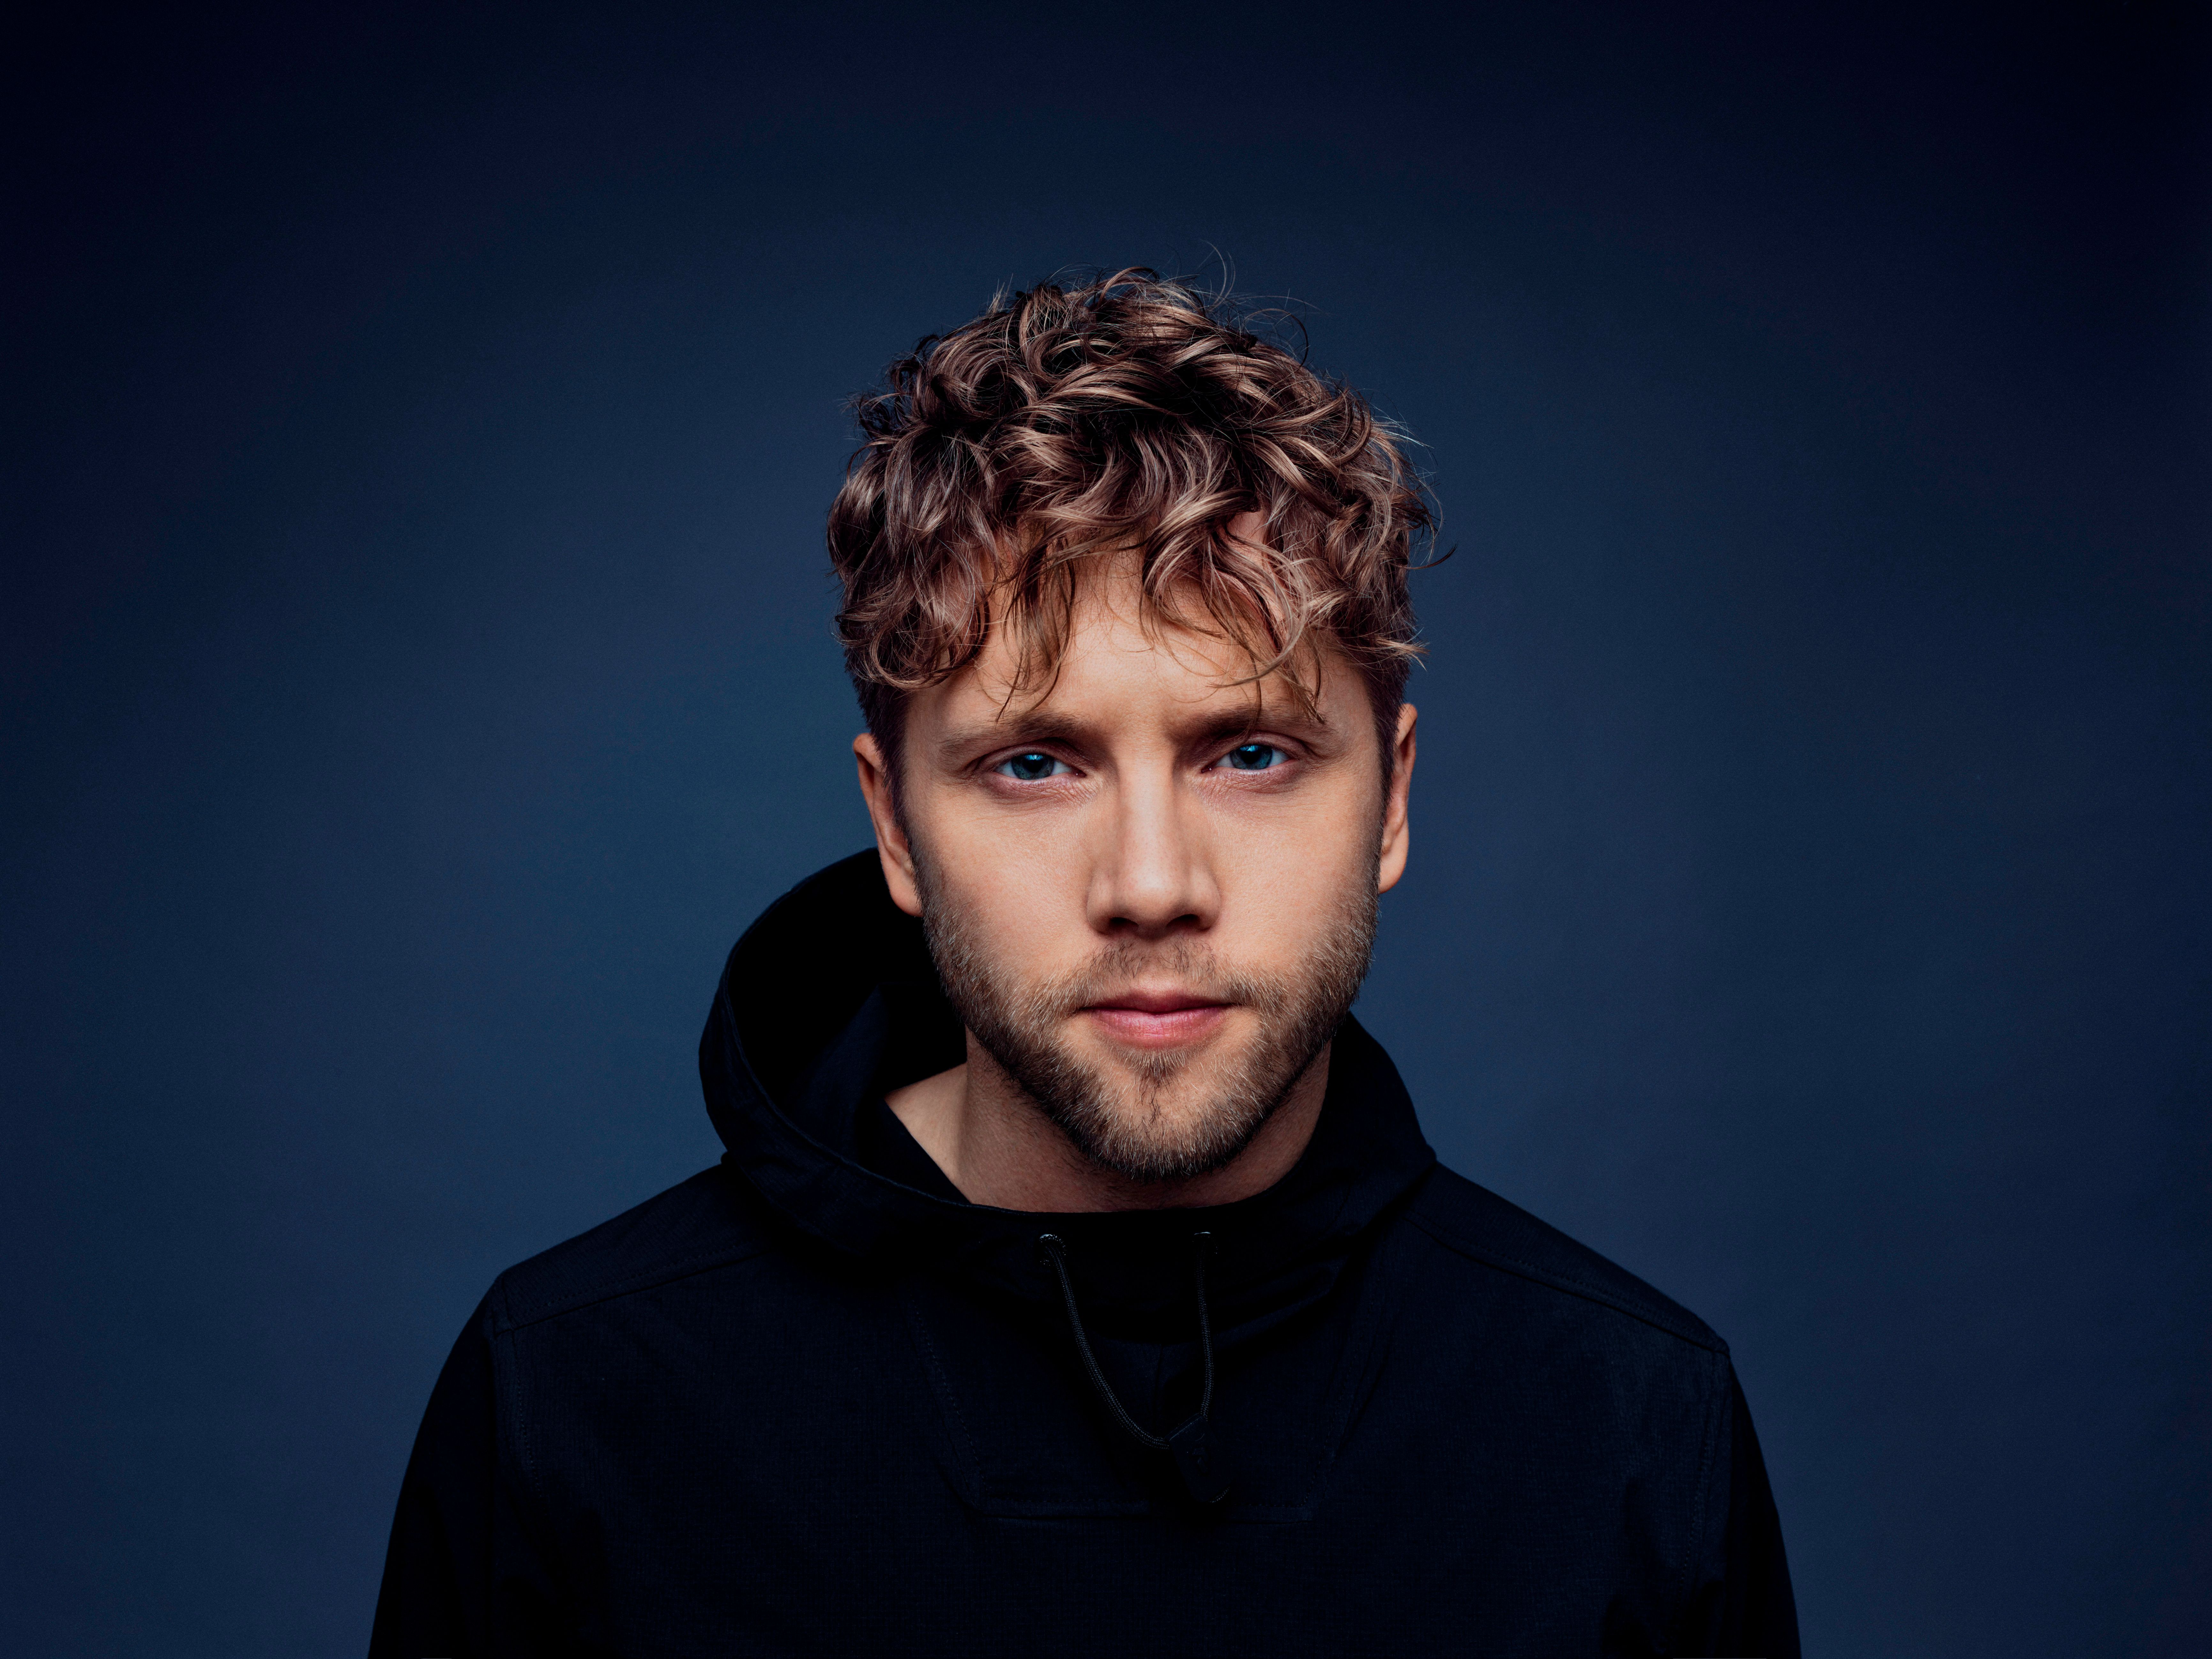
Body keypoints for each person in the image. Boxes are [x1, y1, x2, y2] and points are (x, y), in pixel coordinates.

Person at [369, 269, 1799, 1657]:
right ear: (895, 826)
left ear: (1393, 801)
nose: (1152, 886)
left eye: (1251, 753)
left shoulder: (1631, 1425)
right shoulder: (572, 1397)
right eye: (1036, 764)